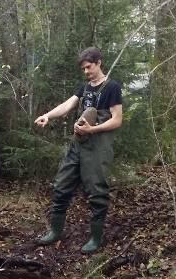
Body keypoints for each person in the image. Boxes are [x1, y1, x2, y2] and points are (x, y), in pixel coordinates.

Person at [34, 47, 123, 254]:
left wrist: (93, 129)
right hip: (78, 144)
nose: (86, 72)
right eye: (83, 68)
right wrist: (48, 115)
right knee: (61, 185)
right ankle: (55, 232)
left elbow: (117, 119)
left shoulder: (112, 87)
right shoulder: (85, 87)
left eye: (89, 67)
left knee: (97, 191)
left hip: (98, 147)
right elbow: (68, 104)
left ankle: (96, 238)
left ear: (99, 62)